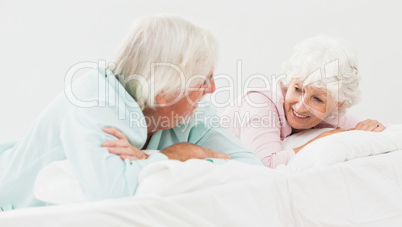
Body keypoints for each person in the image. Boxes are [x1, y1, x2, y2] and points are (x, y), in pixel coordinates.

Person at [0, 15, 261, 211]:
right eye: (205, 79)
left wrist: (185, 155)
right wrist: (172, 156)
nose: (213, 88)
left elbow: (252, 170)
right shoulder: (93, 101)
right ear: (165, 92)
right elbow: (114, 194)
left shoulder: (195, 112)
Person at [222, 35, 386, 168]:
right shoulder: (259, 103)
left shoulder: (331, 114)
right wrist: (320, 141)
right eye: (298, 89)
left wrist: (374, 126)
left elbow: (386, 132)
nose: (300, 107)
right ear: (290, 81)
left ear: (336, 106)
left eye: (317, 99)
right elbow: (264, 165)